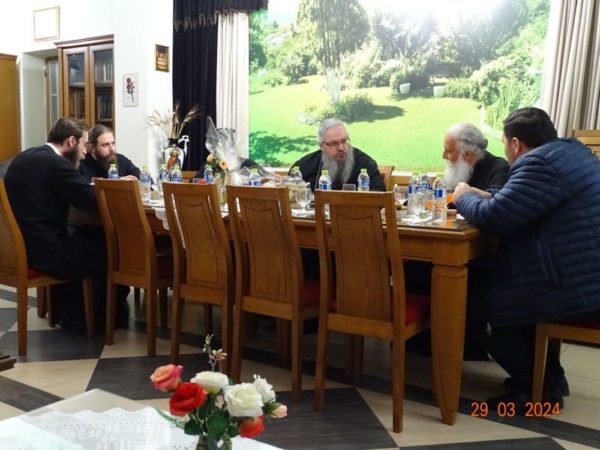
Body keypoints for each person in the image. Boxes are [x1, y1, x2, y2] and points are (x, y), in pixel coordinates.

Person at [453, 107, 600, 411]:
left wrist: (463, 195)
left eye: (504, 143)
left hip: (573, 281)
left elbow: (495, 218)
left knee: (483, 305)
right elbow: (521, 202)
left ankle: (540, 390)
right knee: (500, 289)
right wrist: (486, 196)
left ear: (515, 144)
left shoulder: (538, 164)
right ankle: (548, 377)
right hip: (584, 271)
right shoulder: (571, 154)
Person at [4, 117, 128, 332]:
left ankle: (64, 313)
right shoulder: (57, 164)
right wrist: (117, 187)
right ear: (71, 141)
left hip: (19, 249)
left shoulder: (24, 157)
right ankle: (98, 321)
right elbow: (89, 200)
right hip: (48, 253)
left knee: (84, 238)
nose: (85, 152)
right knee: (108, 249)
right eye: (84, 144)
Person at [291, 118, 386, 191]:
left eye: (344, 141)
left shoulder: (365, 163)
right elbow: (291, 187)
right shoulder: (306, 165)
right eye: (334, 143)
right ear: (322, 146)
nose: (341, 148)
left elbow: (379, 193)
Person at [443, 122, 509, 193]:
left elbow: (495, 198)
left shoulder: (499, 169)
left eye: (449, 151)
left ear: (467, 154)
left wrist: (467, 191)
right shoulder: (462, 169)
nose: (444, 156)